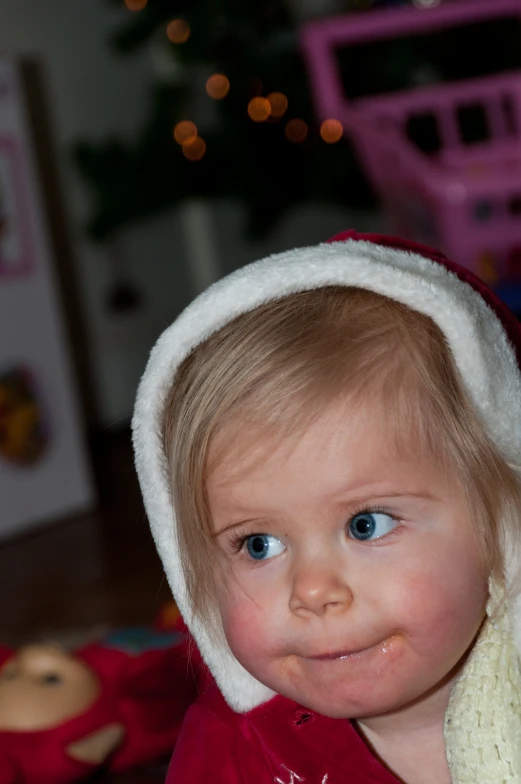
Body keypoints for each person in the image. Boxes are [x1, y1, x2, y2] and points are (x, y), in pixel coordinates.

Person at [132, 229, 521, 784]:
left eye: (366, 525)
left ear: (503, 521)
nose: (312, 591)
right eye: (257, 545)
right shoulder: (236, 757)